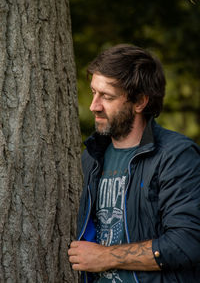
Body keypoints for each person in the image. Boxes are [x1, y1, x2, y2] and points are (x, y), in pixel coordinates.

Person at [68, 44, 200, 283]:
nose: (93, 106)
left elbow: (188, 242)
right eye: (94, 93)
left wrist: (106, 257)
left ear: (139, 102)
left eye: (107, 97)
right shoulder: (91, 157)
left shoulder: (176, 156)